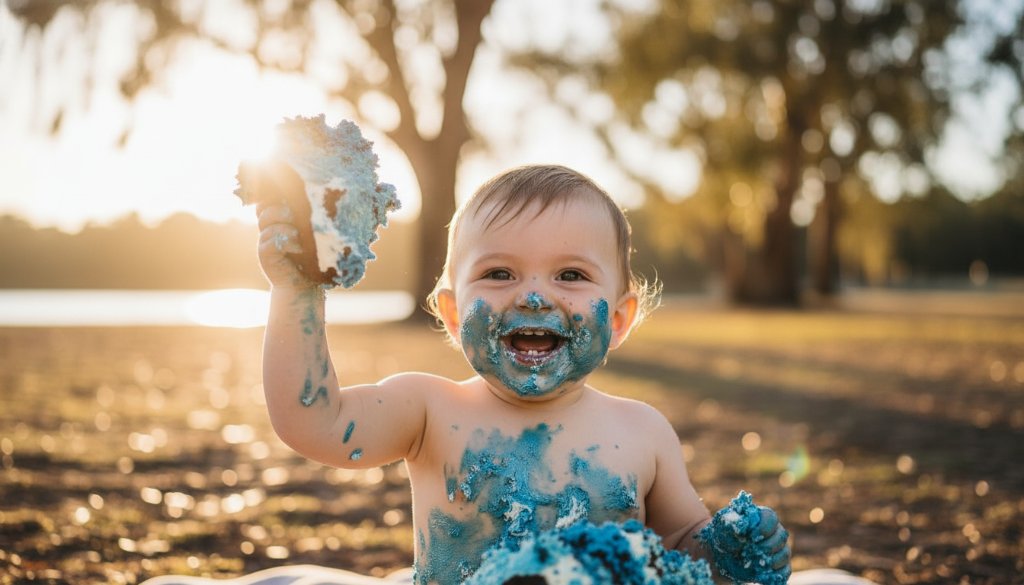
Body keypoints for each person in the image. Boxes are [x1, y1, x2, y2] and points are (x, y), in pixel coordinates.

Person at [249, 164, 790, 585]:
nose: (533, 294)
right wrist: (296, 291)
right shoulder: (428, 410)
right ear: (454, 312)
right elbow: (315, 421)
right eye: (498, 273)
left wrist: (729, 547)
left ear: (620, 319)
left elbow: (680, 541)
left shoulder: (642, 432)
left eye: (571, 275)